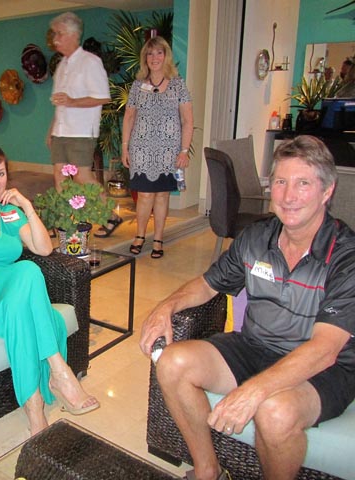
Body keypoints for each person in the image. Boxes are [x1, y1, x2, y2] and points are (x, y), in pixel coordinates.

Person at [139, 135, 355, 480]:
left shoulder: (345, 256)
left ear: (326, 191)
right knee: (173, 363)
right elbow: (208, 284)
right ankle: (208, 470)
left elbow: (325, 350)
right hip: (255, 346)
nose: (288, 196)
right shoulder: (257, 237)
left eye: (303, 184)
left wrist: (254, 390)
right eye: (281, 182)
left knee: (275, 412)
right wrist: (166, 306)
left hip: (324, 369)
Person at [0, 144, 99, 435]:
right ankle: (59, 371)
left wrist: (27, 207)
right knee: (26, 270)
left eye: (0, 174)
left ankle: (34, 407)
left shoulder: (9, 213)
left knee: (22, 313)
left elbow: (43, 248)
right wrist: (8, 279)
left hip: (11, 301)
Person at [47, 11, 122, 238]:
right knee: (59, 175)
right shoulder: (62, 65)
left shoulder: (90, 62)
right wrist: (51, 129)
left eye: (59, 34)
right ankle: (63, 221)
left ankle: (111, 216)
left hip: (81, 131)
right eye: (55, 34)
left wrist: (72, 101)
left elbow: (102, 97)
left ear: (73, 35)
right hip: (61, 130)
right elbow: (59, 103)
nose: (55, 39)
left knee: (82, 177)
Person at [121, 36, 193, 258]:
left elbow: (187, 120)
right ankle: (140, 235)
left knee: (162, 195)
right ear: (145, 58)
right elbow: (129, 117)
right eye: (150, 53)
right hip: (141, 150)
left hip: (168, 152)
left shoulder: (178, 85)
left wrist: (184, 150)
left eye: (159, 53)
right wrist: (125, 147)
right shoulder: (137, 86)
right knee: (144, 195)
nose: (154, 58)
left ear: (166, 56)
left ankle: (158, 239)